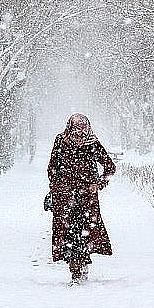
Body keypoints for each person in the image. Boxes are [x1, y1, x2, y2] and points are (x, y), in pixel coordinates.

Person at [47, 113, 116, 284]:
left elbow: (110, 167)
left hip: (87, 199)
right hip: (66, 199)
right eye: (76, 131)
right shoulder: (61, 141)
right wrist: (57, 186)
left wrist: (99, 184)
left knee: (84, 233)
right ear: (70, 128)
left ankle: (80, 266)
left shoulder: (92, 143)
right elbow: (52, 167)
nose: (79, 135)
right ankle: (75, 270)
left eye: (82, 131)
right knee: (69, 234)